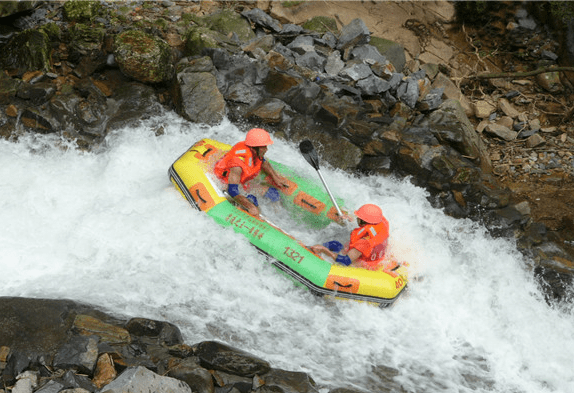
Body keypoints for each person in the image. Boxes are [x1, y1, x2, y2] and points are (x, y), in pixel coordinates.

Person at [214, 128, 288, 216]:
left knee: (273, 194)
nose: (266, 149)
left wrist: (275, 177)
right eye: (263, 147)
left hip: (243, 182)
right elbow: (232, 190)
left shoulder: (255, 152)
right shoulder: (237, 165)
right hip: (225, 183)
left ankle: (280, 218)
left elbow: (263, 162)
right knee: (253, 202)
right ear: (253, 148)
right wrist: (250, 207)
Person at [310, 204, 389, 270]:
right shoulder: (381, 224)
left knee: (334, 245)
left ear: (363, 221)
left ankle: (313, 251)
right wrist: (350, 220)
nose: (357, 218)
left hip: (361, 266)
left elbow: (346, 261)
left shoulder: (364, 242)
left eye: (359, 218)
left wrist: (324, 250)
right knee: (336, 245)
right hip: (376, 259)